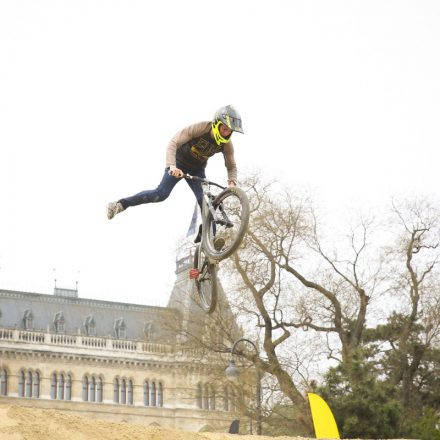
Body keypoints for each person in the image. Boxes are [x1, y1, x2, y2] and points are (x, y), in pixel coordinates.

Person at [107, 105, 244, 245]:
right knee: (161, 194)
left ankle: (211, 240)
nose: (226, 133)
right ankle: (121, 204)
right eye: (224, 128)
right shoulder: (201, 128)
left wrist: (232, 182)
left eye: (230, 131)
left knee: (205, 201)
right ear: (217, 124)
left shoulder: (227, 145)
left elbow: (231, 165)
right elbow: (173, 142)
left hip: (197, 169)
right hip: (178, 164)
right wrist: (172, 166)